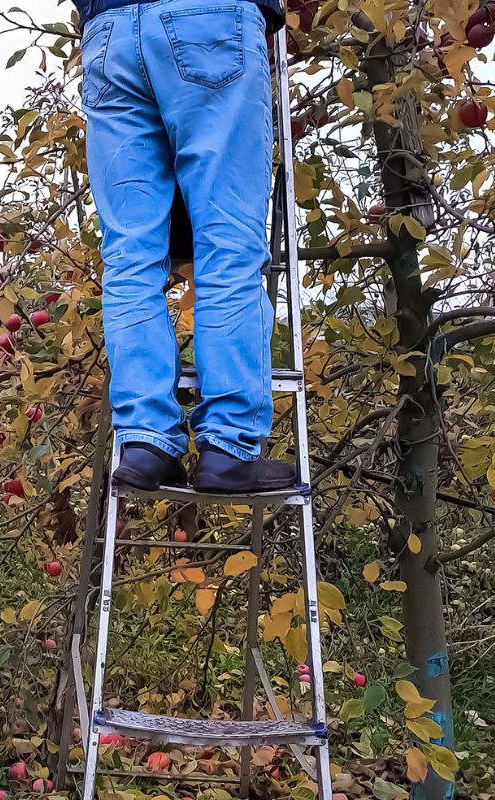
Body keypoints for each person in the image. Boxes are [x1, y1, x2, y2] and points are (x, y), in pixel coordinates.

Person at [74, 0, 299, 494]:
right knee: (228, 245)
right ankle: (229, 447)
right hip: (208, 19)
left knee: (130, 257)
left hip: (109, 34)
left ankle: (146, 441)